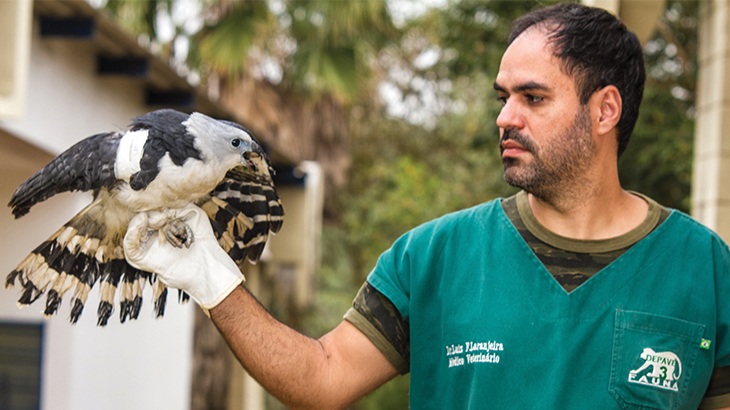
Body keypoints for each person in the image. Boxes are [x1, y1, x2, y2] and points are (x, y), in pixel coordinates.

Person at [123, 3, 730, 409]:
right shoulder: (432, 256)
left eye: (533, 97)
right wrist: (212, 279)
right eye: (503, 97)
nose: (504, 117)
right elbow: (322, 377)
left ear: (604, 111)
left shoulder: (704, 269)